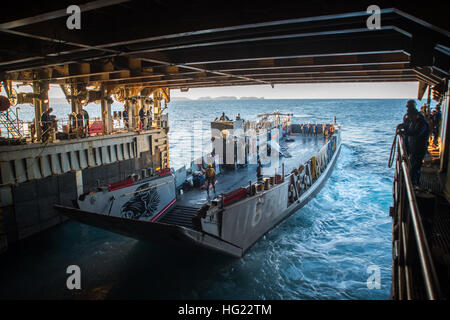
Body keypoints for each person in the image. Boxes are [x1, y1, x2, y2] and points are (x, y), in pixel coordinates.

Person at [397, 108, 429, 186]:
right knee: (413, 165)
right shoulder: (413, 121)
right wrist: (402, 126)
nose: (410, 119)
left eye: (411, 117)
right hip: (413, 148)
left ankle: (414, 184)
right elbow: (408, 126)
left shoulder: (422, 123)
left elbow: (416, 133)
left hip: (420, 149)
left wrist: (404, 132)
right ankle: (413, 182)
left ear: (415, 115)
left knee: (416, 167)